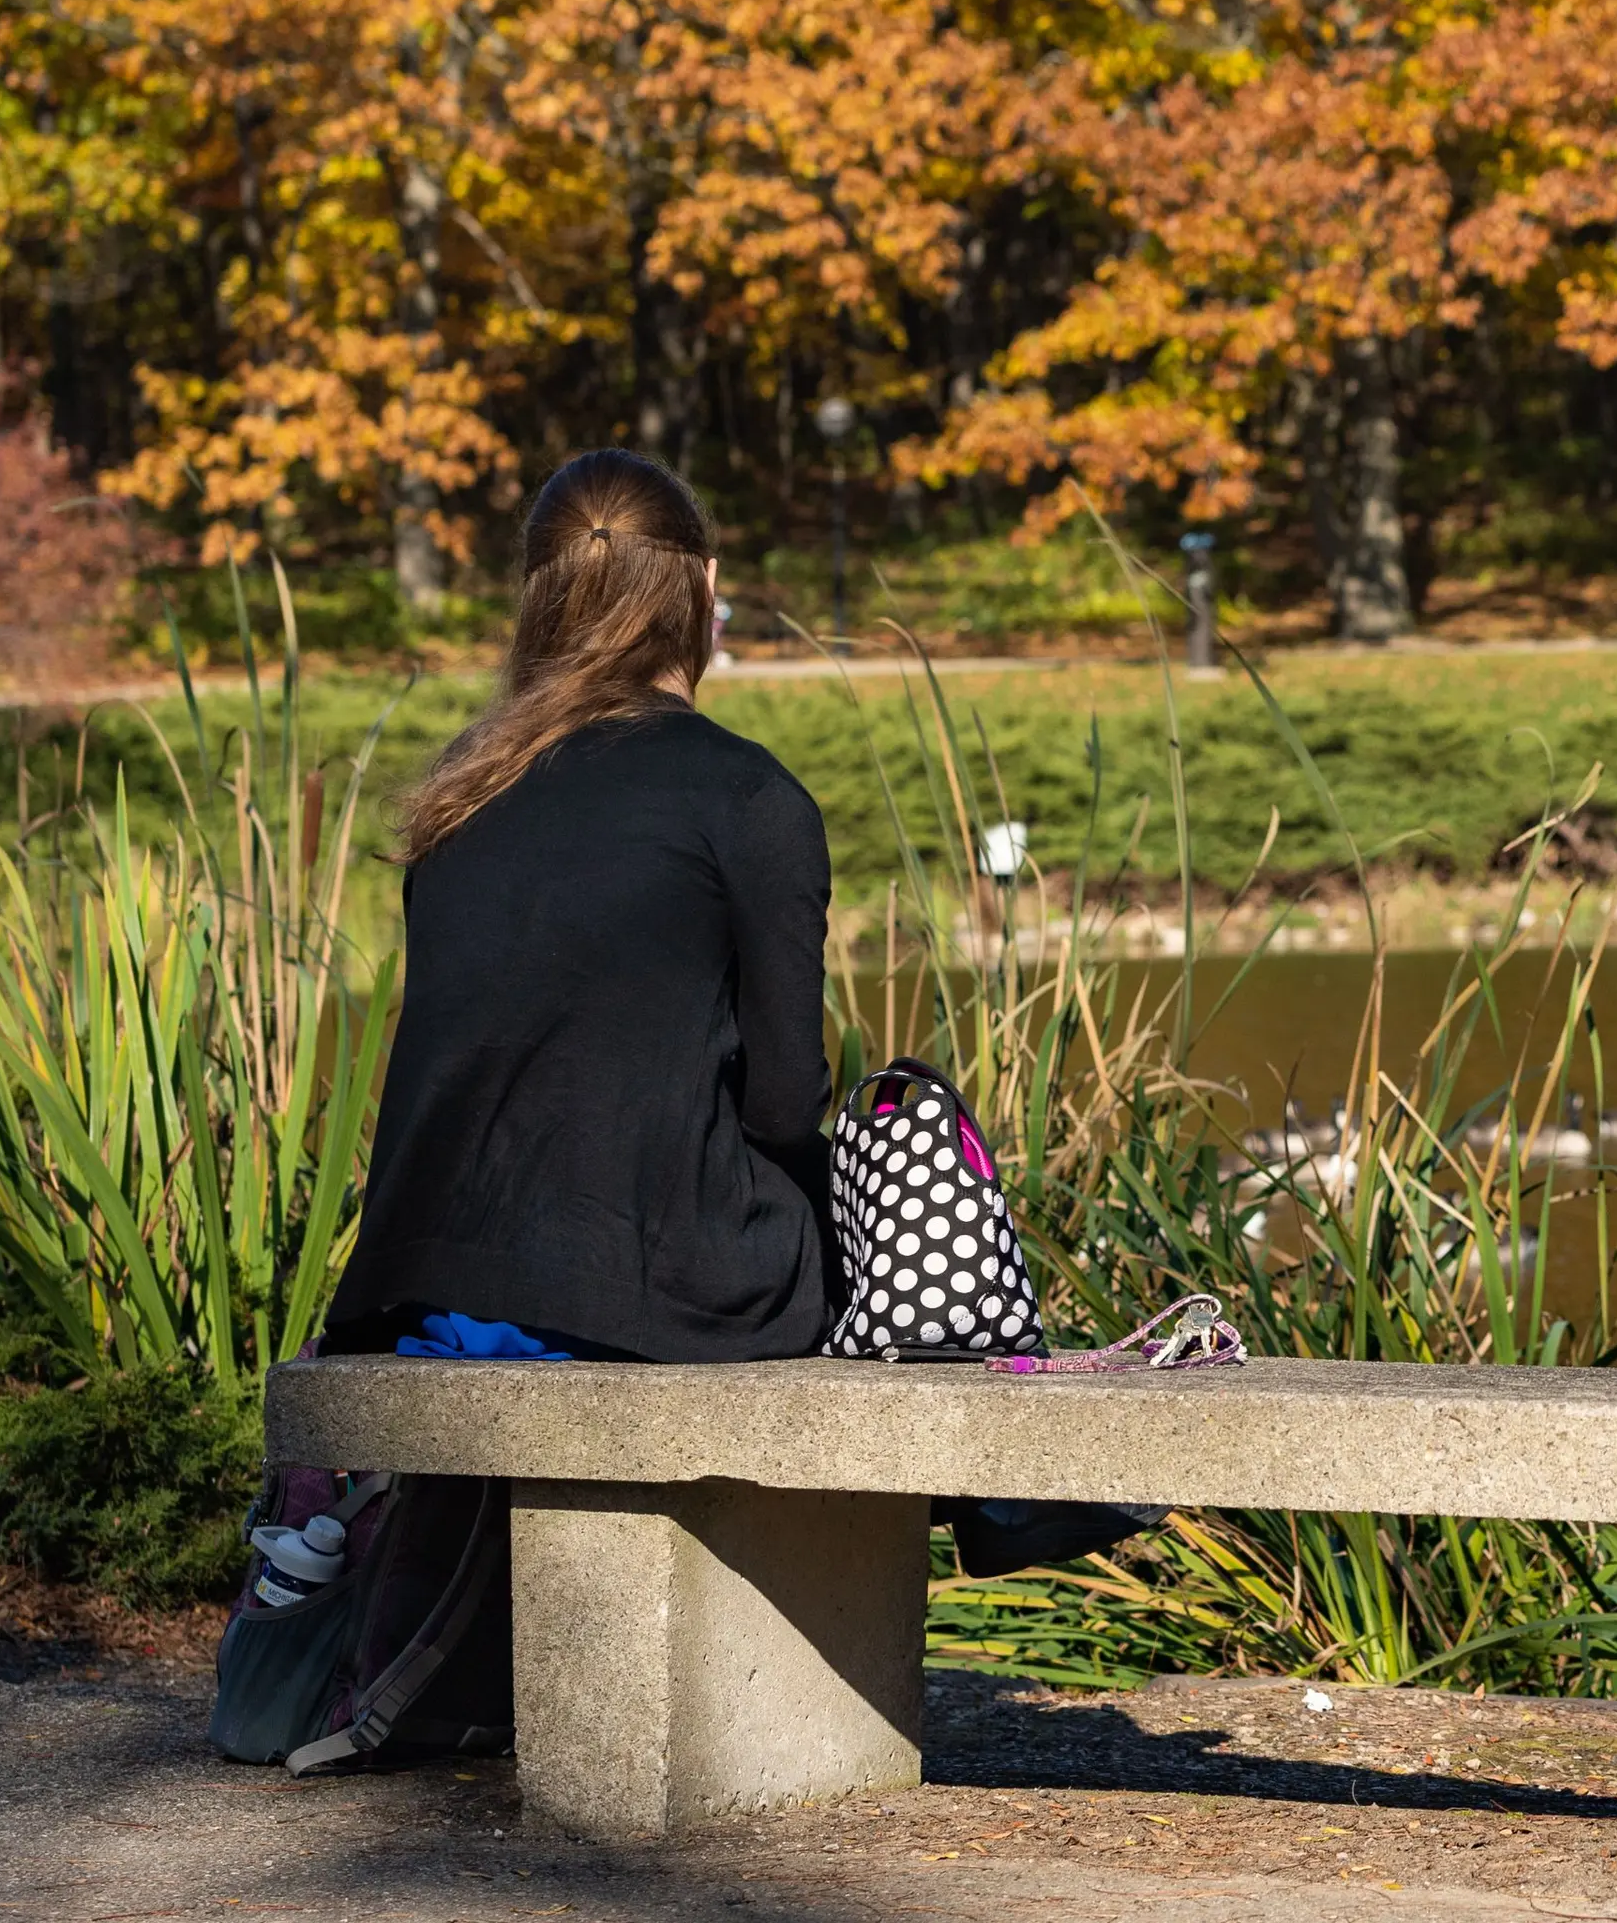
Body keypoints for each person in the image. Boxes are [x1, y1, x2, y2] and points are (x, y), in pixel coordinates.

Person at [328, 449, 1148, 1573]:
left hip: (426, 1285)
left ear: (539, 598)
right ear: (703, 589)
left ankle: (1005, 1493)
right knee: (907, 1170)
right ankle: (1005, 1501)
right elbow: (780, 1105)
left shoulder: (462, 792)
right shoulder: (750, 798)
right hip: (644, 1294)